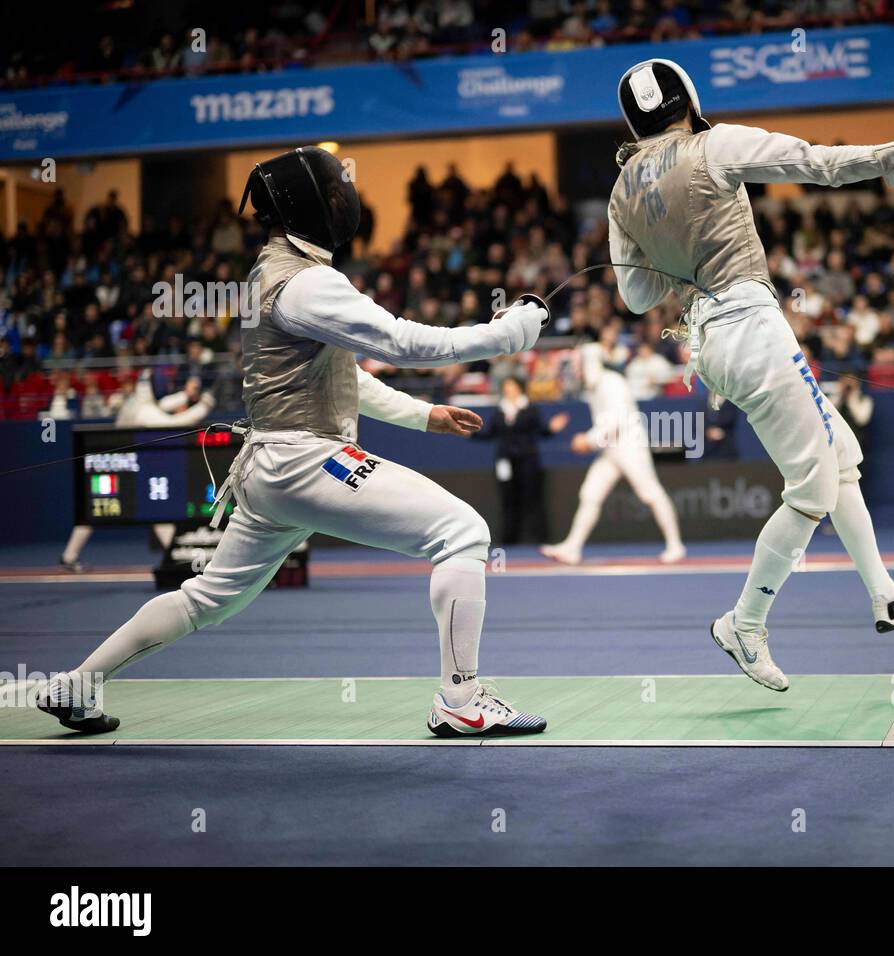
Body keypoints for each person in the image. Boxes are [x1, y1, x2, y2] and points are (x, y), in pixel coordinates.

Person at [37, 147, 550, 739]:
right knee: (462, 533)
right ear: (310, 206)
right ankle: (461, 699)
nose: (344, 202)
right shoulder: (305, 282)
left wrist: (424, 415)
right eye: (333, 193)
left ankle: (78, 683)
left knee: (207, 598)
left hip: (271, 471)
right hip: (305, 461)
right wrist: (507, 332)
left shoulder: (273, 272)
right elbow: (401, 341)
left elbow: (345, 376)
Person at [608, 59, 894, 689]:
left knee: (841, 455)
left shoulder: (621, 192)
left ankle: (885, 595)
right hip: (750, 327)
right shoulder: (713, 145)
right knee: (812, 488)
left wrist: (671, 253)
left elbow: (637, 297)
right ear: (688, 99)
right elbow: (821, 164)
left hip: (712, 344)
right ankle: (744, 624)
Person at [541, 323, 686, 565]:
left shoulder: (612, 383)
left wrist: (587, 440)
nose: (577, 370)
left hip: (630, 445)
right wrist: (592, 441)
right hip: (612, 450)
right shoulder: (595, 389)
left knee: (650, 492)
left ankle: (675, 545)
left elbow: (615, 422)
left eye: (580, 364)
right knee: (590, 493)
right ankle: (572, 548)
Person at [59, 371, 216, 573]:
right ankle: (177, 557)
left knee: (147, 510)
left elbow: (162, 405)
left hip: (120, 462)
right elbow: (172, 424)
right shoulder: (144, 411)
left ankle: (69, 556)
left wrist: (186, 395)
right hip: (127, 466)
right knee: (141, 510)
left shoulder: (139, 402)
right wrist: (205, 405)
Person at [474, 376, 569, 545]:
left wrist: (552, 429)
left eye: (511, 386)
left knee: (533, 498)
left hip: (528, 459)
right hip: (505, 460)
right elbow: (491, 433)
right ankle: (509, 539)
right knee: (508, 499)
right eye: (506, 386)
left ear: (519, 388)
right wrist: (471, 433)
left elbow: (542, 431)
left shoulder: (530, 409)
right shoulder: (499, 410)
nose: (508, 389)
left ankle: (540, 539)